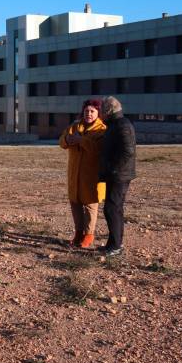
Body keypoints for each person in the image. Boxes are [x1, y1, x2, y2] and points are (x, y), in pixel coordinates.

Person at [59, 99, 106, 249]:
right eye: (86, 111)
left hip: (92, 175)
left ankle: (89, 234)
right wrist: (67, 139)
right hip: (75, 173)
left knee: (91, 205)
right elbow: (61, 142)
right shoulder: (75, 126)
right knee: (75, 203)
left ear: (98, 113)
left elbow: (98, 150)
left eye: (92, 111)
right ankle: (78, 232)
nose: (89, 114)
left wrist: (81, 140)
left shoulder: (102, 129)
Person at [98, 96, 136, 257]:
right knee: (113, 208)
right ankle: (113, 244)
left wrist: (113, 169)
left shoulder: (122, 125)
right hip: (115, 174)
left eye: (101, 109)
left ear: (108, 110)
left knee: (112, 209)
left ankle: (116, 247)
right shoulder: (115, 124)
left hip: (119, 175)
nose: (99, 112)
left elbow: (128, 151)